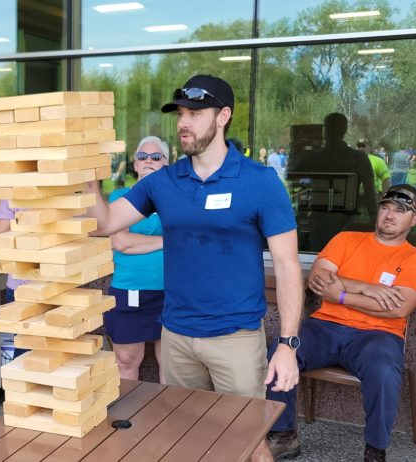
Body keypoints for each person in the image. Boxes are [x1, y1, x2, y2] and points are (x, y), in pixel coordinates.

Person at [85, 75, 303, 407]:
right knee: (184, 439)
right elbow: (105, 224)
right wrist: (88, 178)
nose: (183, 124)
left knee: (243, 439)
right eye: (180, 115)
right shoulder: (164, 181)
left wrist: (287, 344)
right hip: (176, 337)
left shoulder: (260, 182)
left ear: (223, 116)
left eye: (194, 114)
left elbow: (288, 266)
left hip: (236, 339)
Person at [266, 184, 416, 461]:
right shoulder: (346, 240)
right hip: (325, 326)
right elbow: (320, 280)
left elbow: (399, 307)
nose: (390, 215)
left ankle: (375, 448)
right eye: (385, 207)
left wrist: (340, 293)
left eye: (401, 211)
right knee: (280, 350)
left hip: (379, 334)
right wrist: (369, 289)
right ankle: (284, 435)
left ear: (414, 220)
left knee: (383, 370)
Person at [104, 136, 168, 383]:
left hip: (171, 291)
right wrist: (167, 242)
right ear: (135, 164)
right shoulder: (119, 197)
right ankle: (130, 419)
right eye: (143, 157)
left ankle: (167, 420)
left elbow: (186, 239)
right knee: (126, 362)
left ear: (166, 162)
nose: (148, 161)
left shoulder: (175, 198)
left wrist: (140, 242)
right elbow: (121, 242)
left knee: (172, 366)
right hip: (129, 290)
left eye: (155, 157)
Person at [289, 113, 377, 251]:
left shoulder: (312, 158)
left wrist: (299, 150)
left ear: (325, 132)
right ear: (345, 130)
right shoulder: (359, 158)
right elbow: (370, 194)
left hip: (319, 222)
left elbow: (292, 177)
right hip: (349, 222)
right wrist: (373, 220)